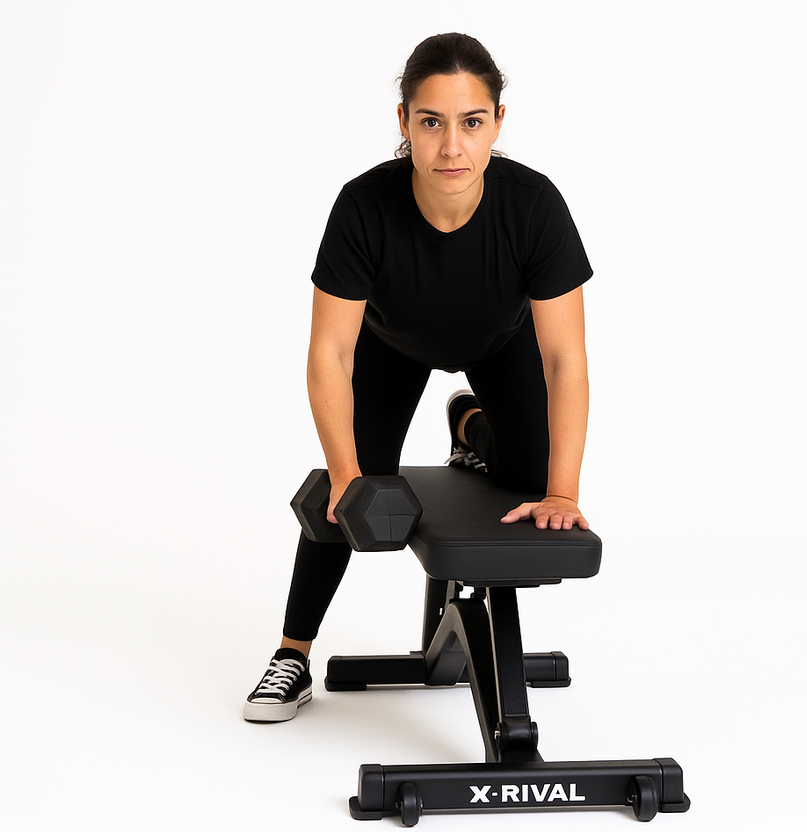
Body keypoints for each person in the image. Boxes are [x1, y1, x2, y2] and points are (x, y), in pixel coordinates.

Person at [243, 33, 593, 722]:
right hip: (391, 344)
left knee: (530, 470)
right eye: (431, 122)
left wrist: (564, 490)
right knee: (346, 495)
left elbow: (565, 359)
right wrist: (345, 474)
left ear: (498, 122)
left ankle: (470, 422)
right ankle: (292, 652)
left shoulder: (534, 207)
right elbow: (329, 354)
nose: (451, 147)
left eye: (471, 122)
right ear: (404, 122)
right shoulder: (364, 207)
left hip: (501, 342)